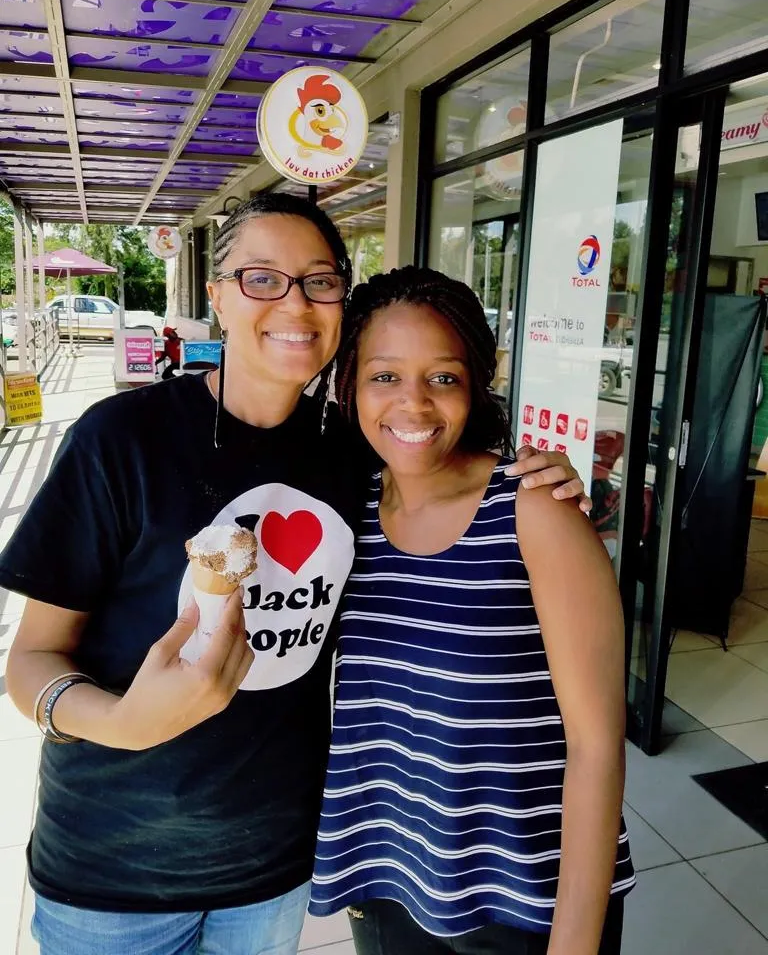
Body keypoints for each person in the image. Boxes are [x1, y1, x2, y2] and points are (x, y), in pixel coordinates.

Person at [0, 195, 587, 955]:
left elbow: (444, 460)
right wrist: (122, 722)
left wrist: (541, 479)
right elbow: (29, 663)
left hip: (272, 872)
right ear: (216, 297)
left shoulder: (358, 454)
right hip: (113, 874)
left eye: (319, 281)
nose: (295, 303)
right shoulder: (122, 440)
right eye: (261, 279)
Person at [309, 268, 634, 955]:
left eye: (444, 378)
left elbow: (598, 748)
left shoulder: (532, 512)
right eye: (385, 377)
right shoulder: (347, 511)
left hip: (526, 899)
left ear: (477, 382)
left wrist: (574, 943)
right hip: (387, 877)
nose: (414, 405)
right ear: (350, 384)